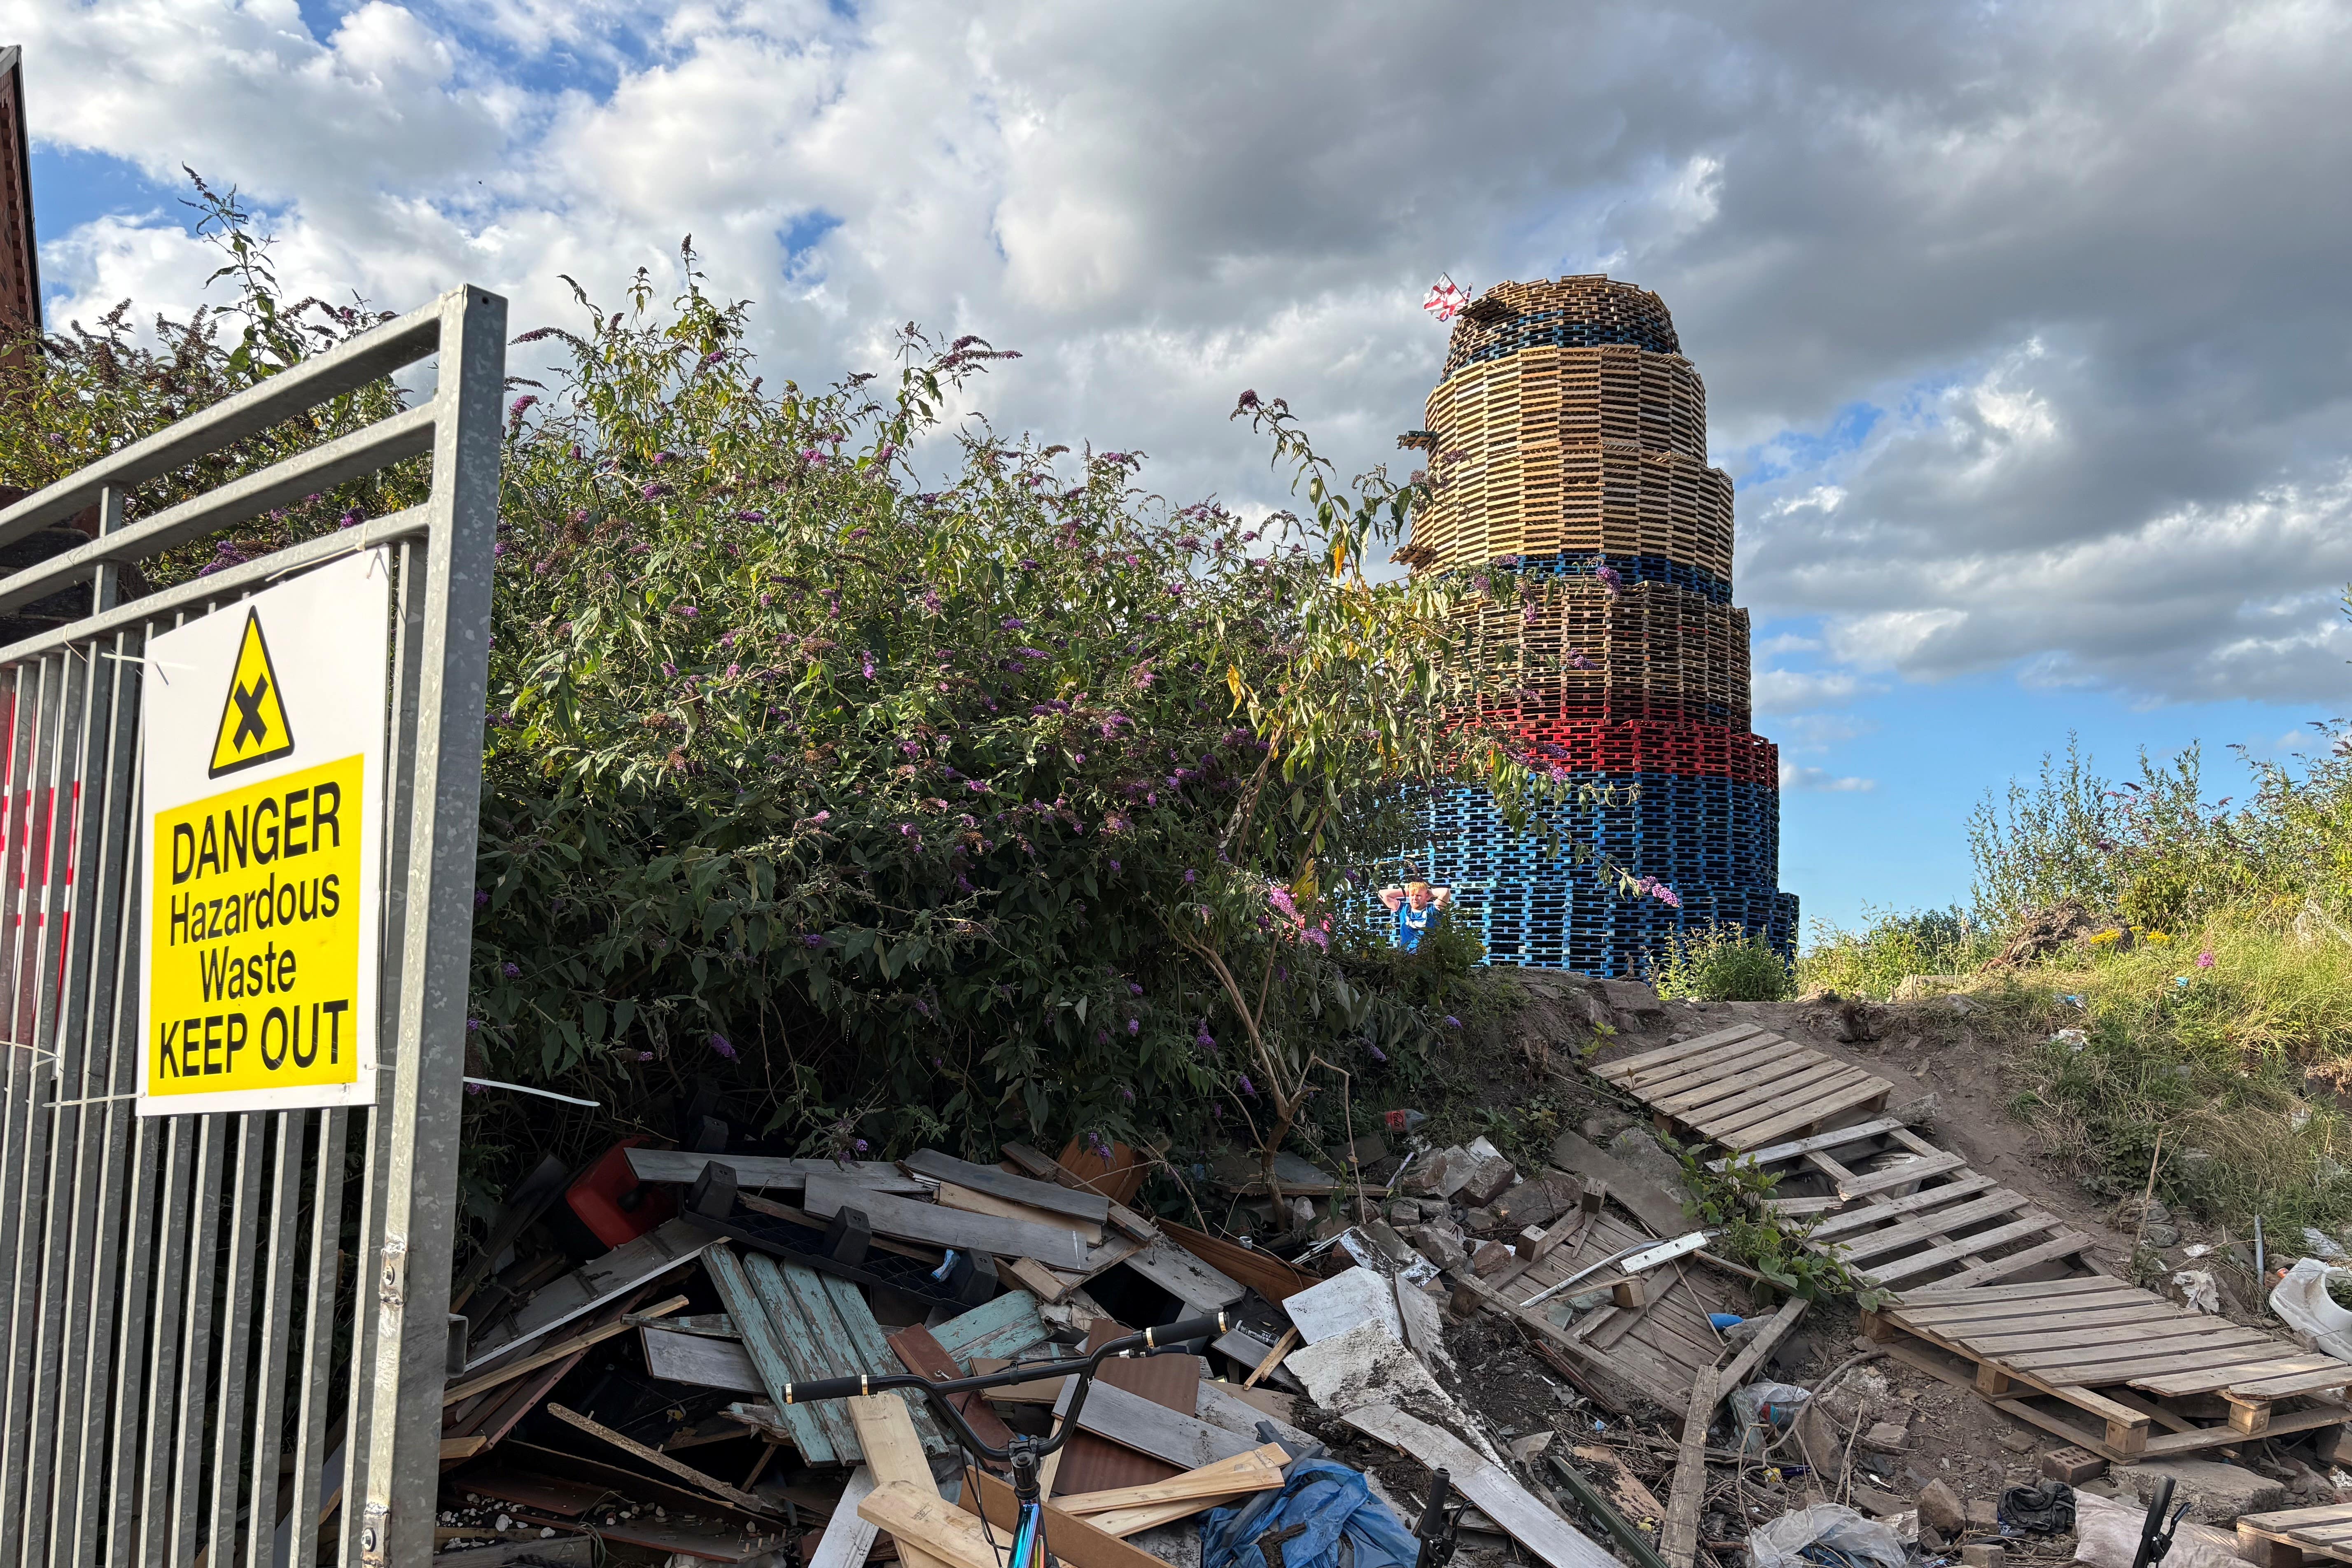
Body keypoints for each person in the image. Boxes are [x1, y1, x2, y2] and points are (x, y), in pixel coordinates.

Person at [1377, 880, 1452, 953]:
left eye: (1419, 895)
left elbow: (1445, 892)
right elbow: (1382, 894)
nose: (1415, 898)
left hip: (1428, 957)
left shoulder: (1433, 910)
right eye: (1412, 895)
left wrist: (1430, 892)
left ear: (1426, 896)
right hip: (1407, 957)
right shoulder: (1403, 909)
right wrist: (1406, 892)